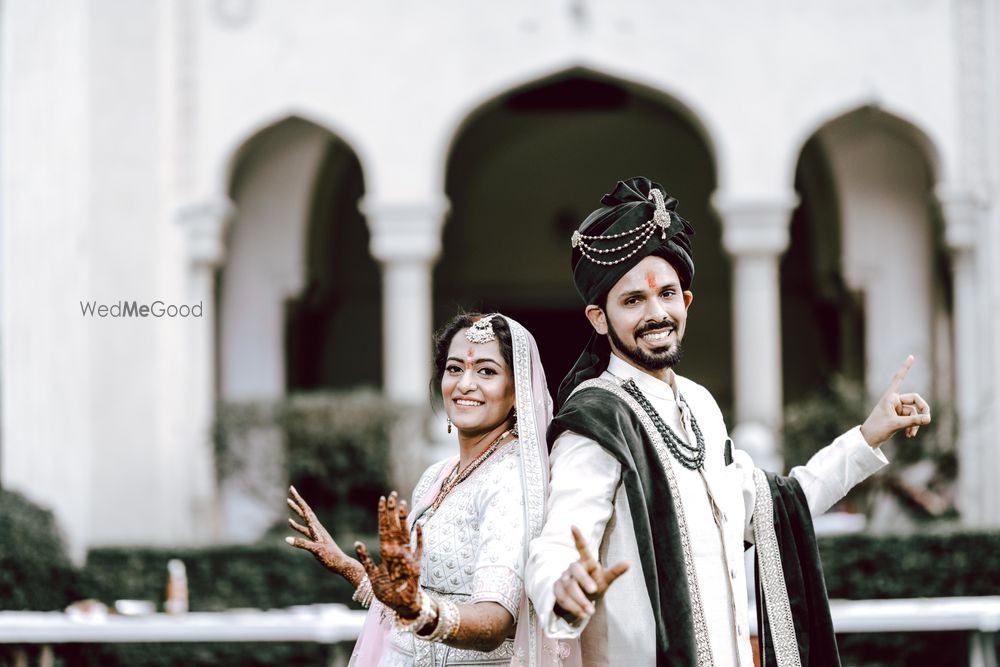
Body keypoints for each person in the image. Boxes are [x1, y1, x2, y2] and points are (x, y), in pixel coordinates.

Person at [523, 177, 932, 666]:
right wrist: (564, 586)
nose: (657, 313)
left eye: (667, 295)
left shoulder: (699, 406)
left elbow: (767, 507)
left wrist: (868, 436)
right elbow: (557, 542)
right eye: (633, 301)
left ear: (686, 302)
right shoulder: (597, 419)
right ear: (598, 317)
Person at [286, 313, 580, 667]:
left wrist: (418, 611)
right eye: (455, 369)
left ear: (518, 392)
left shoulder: (510, 480)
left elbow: (494, 622)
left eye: (486, 371)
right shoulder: (439, 475)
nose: (465, 384)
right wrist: (346, 565)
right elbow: (409, 597)